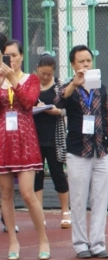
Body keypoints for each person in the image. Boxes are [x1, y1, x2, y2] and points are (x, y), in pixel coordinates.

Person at [56, 44, 108, 259]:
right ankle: (80, 244)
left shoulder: (100, 87)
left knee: (100, 198)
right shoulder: (69, 87)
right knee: (77, 199)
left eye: (88, 60)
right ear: (73, 64)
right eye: (81, 61)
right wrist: (73, 85)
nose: (86, 64)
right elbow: (58, 101)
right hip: (78, 150)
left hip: (100, 149)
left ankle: (97, 243)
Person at [1, 40, 50, 260]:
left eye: (14, 55)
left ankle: (43, 239)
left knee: (29, 194)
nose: (10, 59)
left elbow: (29, 102)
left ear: (21, 56)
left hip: (25, 141)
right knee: (6, 194)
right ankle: (13, 240)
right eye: (6, 55)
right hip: (3, 142)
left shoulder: (31, 80)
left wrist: (13, 80)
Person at [32, 54, 71, 231]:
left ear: (53, 72)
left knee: (58, 175)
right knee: (36, 177)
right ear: (37, 69)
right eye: (42, 73)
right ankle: (39, 214)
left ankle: (65, 212)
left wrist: (55, 111)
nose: (45, 77)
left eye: (48, 74)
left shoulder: (59, 88)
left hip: (54, 138)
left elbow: (65, 110)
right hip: (34, 137)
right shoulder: (31, 85)